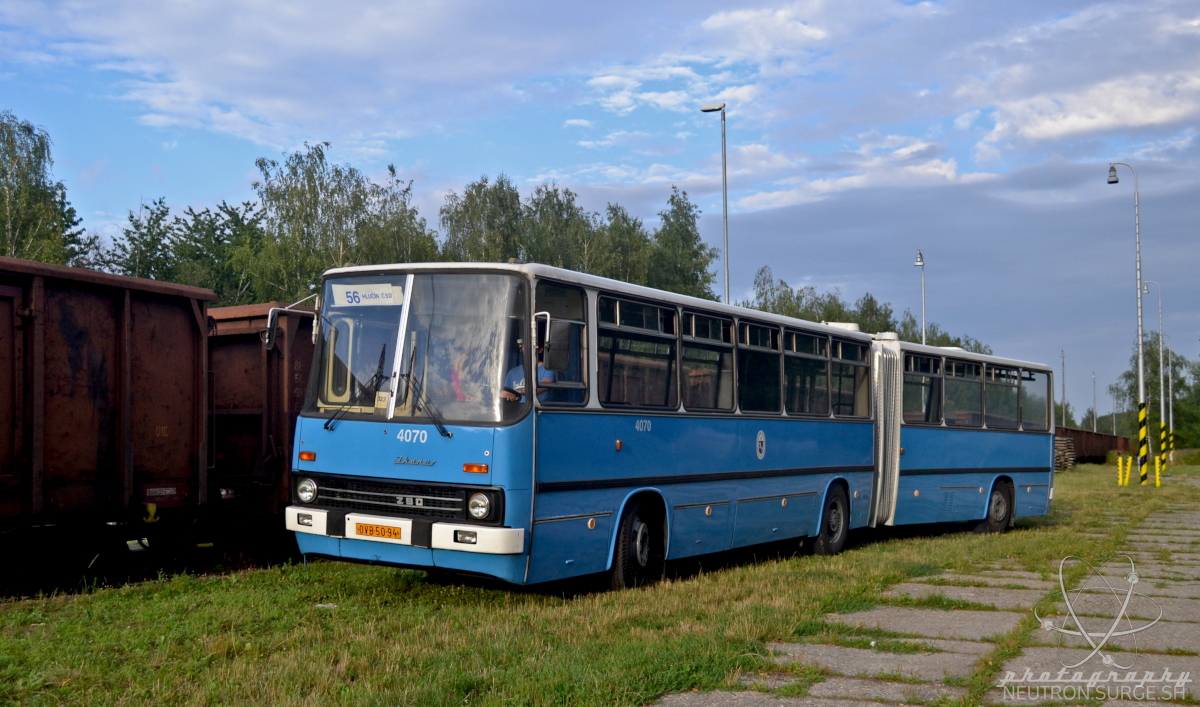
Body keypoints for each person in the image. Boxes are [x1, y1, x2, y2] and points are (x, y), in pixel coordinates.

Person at [502, 338, 556, 403]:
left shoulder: (547, 369)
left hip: (539, 410)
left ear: (540, 349)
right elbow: (504, 393)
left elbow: (546, 385)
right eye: (524, 346)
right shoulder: (512, 372)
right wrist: (508, 395)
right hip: (517, 411)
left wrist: (523, 392)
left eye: (531, 347)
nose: (527, 349)